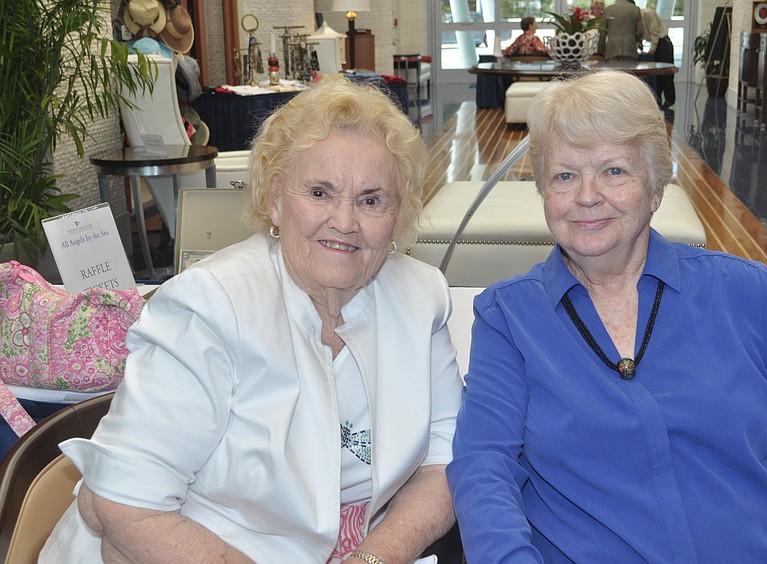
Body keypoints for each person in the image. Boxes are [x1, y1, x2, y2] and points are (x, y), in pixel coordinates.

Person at [41, 78, 463, 563]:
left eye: (371, 199)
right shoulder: (210, 305)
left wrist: (376, 557)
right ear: (275, 200)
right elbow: (125, 505)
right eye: (320, 192)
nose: (345, 221)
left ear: (399, 212)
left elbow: (444, 459)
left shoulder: (420, 295)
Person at [446, 70, 767, 562]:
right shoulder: (508, 317)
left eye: (614, 171)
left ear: (657, 188)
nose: (587, 195)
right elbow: (483, 469)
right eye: (565, 175)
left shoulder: (742, 292)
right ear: (544, 193)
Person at [641, 7, 675, 108]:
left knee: (666, 73)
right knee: (656, 75)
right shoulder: (638, 18)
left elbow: (654, 33)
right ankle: (658, 100)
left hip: (663, 43)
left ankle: (670, 100)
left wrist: (651, 51)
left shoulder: (648, 13)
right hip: (655, 44)